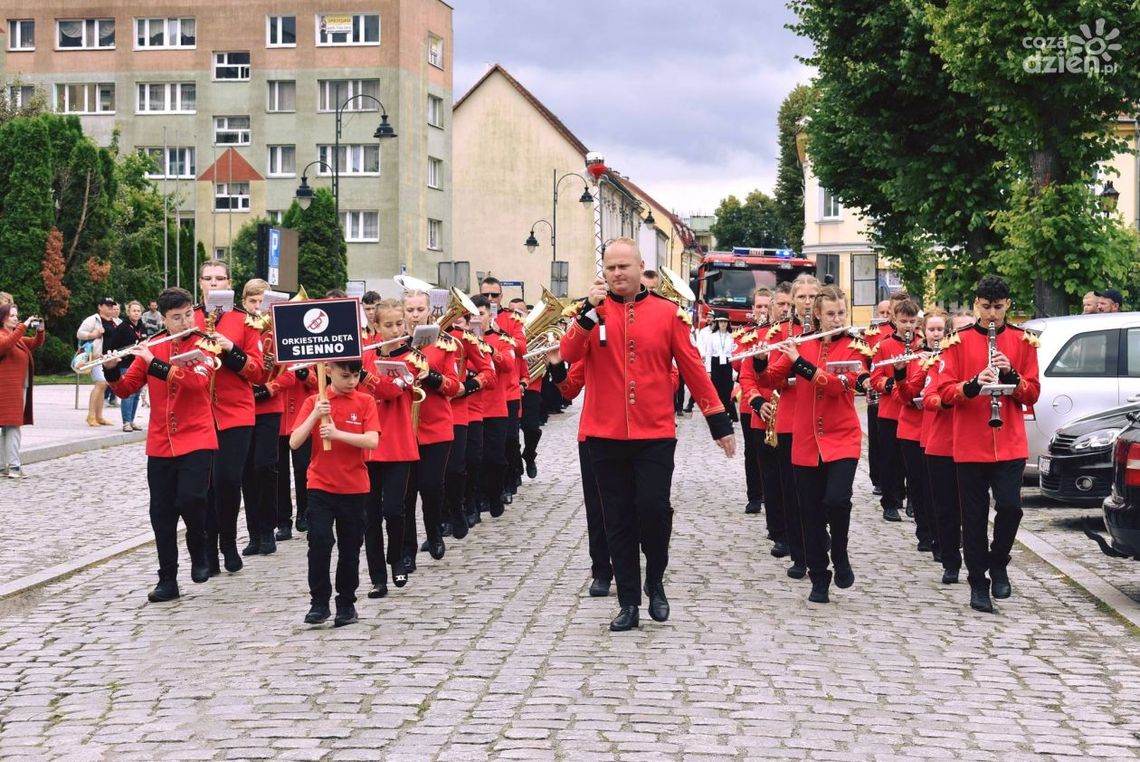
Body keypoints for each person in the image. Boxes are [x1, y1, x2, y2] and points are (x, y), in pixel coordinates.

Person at [560, 238, 735, 632]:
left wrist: (719, 423)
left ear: (640, 268)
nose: (617, 274)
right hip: (603, 433)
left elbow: (693, 369)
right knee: (616, 519)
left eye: (624, 267)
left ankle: (655, 580)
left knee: (654, 510)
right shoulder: (589, 313)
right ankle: (628, 603)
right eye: (610, 268)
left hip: (654, 431)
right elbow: (569, 355)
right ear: (602, 272)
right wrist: (588, 312)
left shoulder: (668, 313)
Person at [936, 274, 1040, 613]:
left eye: (997, 307)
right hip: (969, 443)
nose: (991, 314)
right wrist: (971, 385)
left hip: (1009, 442)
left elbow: (1033, 393)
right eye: (985, 307)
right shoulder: (957, 341)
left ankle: (999, 563)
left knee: (1011, 507)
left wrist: (1010, 374)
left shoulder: (1024, 341)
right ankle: (978, 583)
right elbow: (943, 391)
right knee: (975, 519)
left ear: (1008, 304)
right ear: (976, 303)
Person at [104, 288, 216, 602]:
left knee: (192, 499)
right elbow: (126, 389)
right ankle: (168, 579)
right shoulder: (152, 346)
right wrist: (112, 367)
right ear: (164, 319)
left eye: (187, 315)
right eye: (176, 318)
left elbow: (196, 382)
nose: (184, 322)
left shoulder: (205, 344)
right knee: (161, 514)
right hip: (161, 443)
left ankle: (200, 549)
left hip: (197, 437)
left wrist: (155, 364)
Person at [765, 285, 870, 603]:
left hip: (843, 437)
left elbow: (840, 386)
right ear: (817, 316)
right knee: (809, 513)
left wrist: (801, 364)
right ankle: (819, 576)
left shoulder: (855, 347)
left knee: (837, 501)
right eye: (831, 314)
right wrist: (769, 359)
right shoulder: (802, 345)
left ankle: (839, 551)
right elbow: (771, 379)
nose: (837, 319)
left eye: (841, 313)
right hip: (806, 440)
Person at [290, 360, 380, 627]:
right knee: (319, 541)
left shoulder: (365, 401)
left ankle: (346, 602)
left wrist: (338, 434)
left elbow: (372, 440)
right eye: (345, 376)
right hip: (320, 483)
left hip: (354, 485)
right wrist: (315, 415)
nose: (351, 381)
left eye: (355, 376)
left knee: (350, 547)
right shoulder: (314, 401)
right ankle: (319, 602)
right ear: (328, 371)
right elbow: (295, 441)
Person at [195, 261, 266, 575]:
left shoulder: (245, 321)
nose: (214, 284)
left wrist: (232, 351)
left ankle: (228, 544)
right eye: (208, 279)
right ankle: (208, 550)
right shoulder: (190, 318)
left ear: (229, 283)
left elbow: (259, 370)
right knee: (203, 486)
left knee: (227, 481)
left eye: (219, 278)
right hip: (197, 414)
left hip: (235, 412)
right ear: (200, 283)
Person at [761, 274, 821, 578]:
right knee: (793, 491)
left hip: (820, 418)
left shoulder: (829, 332)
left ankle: (819, 547)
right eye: (803, 298)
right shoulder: (781, 332)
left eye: (813, 297)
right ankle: (799, 554)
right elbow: (770, 376)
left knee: (820, 494)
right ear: (793, 301)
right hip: (789, 417)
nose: (808, 303)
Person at [360, 299, 420, 598]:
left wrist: (362, 375)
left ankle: (396, 557)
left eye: (399, 324)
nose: (395, 329)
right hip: (368, 444)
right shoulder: (365, 356)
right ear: (376, 327)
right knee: (370, 516)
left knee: (394, 510)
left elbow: (391, 390)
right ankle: (377, 577)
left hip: (397, 443)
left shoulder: (412, 358)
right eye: (388, 325)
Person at [400, 289, 460, 567]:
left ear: (429, 310)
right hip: (402, 429)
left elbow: (455, 386)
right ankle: (407, 551)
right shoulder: (393, 343)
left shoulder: (445, 344)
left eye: (419, 310)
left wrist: (432, 377)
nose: (414, 315)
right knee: (405, 493)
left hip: (435, 426)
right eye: (410, 310)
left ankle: (435, 532)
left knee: (431, 486)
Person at [241, 280, 283, 557]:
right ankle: (253, 533)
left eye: (262, 302)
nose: (258, 308)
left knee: (265, 466)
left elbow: (292, 369)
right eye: (253, 302)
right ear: (245, 303)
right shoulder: (240, 328)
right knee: (246, 472)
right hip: (243, 406)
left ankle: (269, 529)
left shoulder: (278, 329)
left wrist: (271, 386)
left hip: (270, 404)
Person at [870, 298, 919, 522]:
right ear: (894, 320)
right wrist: (890, 384)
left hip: (913, 411)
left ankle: (914, 501)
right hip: (890, 411)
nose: (908, 326)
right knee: (889, 460)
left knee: (913, 462)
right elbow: (875, 378)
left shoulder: (922, 343)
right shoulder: (884, 345)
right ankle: (890, 502)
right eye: (903, 321)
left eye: (911, 322)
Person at [733, 288, 770, 514]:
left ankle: (770, 492)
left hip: (773, 398)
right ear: (753, 310)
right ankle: (754, 495)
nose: (763, 310)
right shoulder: (746, 334)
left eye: (767, 306)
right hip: (750, 401)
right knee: (752, 450)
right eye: (759, 306)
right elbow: (736, 364)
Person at [0, 303, 45, 478]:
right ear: (3, 318)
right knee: (12, 426)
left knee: (8, 427)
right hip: (7, 389)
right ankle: (14, 467)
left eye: (16, 315)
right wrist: (23, 326)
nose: (16, 318)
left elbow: (34, 343)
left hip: (19, 386)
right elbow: (5, 346)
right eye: (12, 316)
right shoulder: (5, 335)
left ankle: (4, 466)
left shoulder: (14, 335)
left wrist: (39, 330)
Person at [105, 301, 147, 432]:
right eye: (133, 310)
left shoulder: (142, 327)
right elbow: (114, 347)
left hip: (139, 363)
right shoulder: (122, 327)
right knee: (128, 394)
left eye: (138, 311)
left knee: (137, 393)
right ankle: (126, 422)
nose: (136, 313)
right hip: (125, 363)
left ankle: (132, 420)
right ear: (128, 312)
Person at [76, 297, 118, 427]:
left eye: (112, 305)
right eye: (107, 305)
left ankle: (99, 416)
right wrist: (93, 334)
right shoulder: (93, 319)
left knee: (104, 385)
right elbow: (80, 334)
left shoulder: (115, 321)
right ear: (100, 306)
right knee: (100, 383)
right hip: (95, 357)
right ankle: (91, 415)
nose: (110, 307)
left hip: (109, 358)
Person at [698, 311, 737, 421]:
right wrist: (708, 370)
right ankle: (718, 413)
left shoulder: (732, 336)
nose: (723, 324)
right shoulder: (712, 336)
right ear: (717, 322)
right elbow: (709, 354)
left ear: (728, 323)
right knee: (716, 390)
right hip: (716, 364)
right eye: (721, 322)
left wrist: (734, 370)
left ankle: (727, 413)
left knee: (727, 390)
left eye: (725, 322)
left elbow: (735, 353)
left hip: (728, 364)